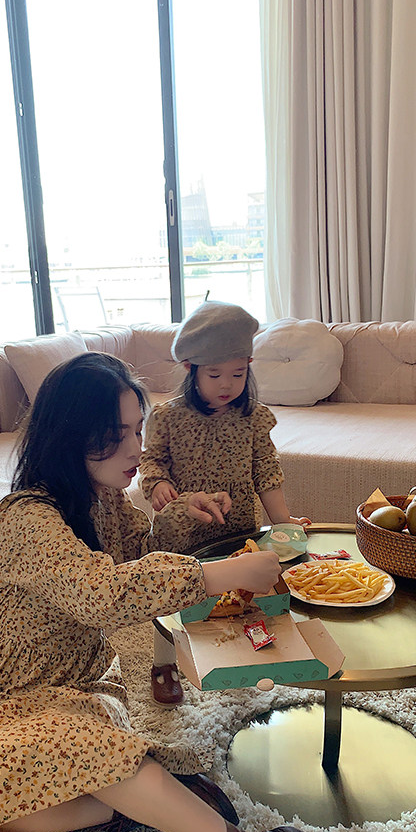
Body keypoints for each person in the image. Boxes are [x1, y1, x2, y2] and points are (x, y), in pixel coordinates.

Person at [0, 351, 368, 832]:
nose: (135, 449)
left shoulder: (105, 499)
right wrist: (220, 573)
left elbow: (141, 553)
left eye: (136, 429)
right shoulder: (25, 519)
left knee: (80, 760)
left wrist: (181, 514)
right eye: (116, 435)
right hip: (13, 702)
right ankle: (154, 797)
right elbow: (103, 593)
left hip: (88, 693)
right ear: (68, 437)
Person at [139, 300, 310, 707]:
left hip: (237, 530)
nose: (226, 384)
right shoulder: (167, 417)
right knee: (174, 600)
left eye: (238, 373)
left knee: (238, 600)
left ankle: (235, 656)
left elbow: (266, 472)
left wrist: (284, 522)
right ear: (190, 369)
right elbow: (151, 460)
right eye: (214, 375)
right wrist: (157, 483)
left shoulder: (254, 417)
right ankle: (164, 664)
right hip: (184, 533)